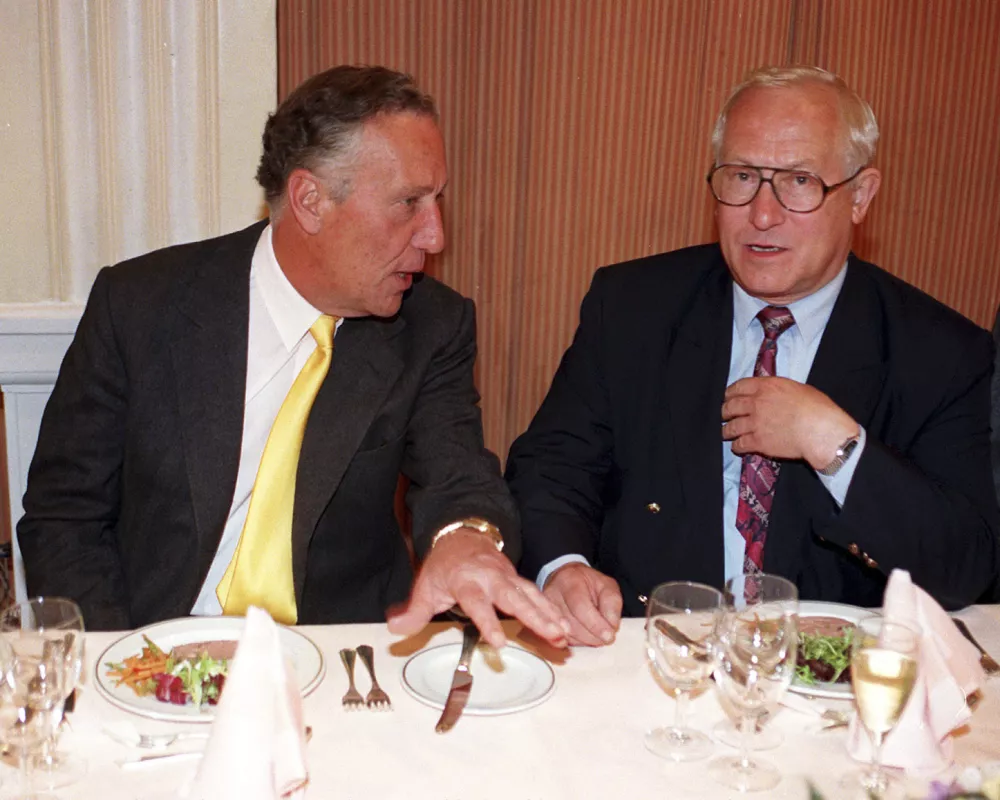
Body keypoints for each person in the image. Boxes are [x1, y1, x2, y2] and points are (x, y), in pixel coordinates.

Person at [18, 65, 568, 649]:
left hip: (338, 664)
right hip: (155, 643)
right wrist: (119, 659)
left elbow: (458, 474)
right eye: (408, 202)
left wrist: (466, 537)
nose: (434, 236)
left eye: (437, 201)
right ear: (310, 200)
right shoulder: (140, 305)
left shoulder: (431, 325)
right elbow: (64, 516)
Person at [506, 65, 1000, 646]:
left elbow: (966, 565)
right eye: (741, 177)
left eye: (798, 182)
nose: (762, 215)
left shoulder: (941, 351)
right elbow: (552, 467)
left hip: (827, 683)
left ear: (861, 196)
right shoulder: (634, 306)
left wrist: (837, 447)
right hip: (651, 656)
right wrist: (562, 567)